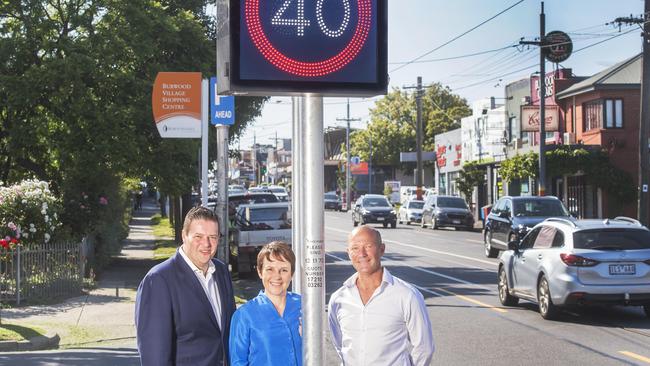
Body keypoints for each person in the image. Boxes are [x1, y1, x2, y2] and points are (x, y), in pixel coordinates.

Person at [135, 206, 236, 366]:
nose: (207, 244)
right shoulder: (159, 280)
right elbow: (155, 356)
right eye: (198, 237)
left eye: (213, 237)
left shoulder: (221, 271)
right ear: (184, 236)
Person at [328, 225, 434, 366]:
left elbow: (424, 348)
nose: (362, 253)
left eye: (368, 246)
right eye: (355, 248)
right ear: (348, 253)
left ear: (382, 249)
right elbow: (340, 345)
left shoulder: (407, 295)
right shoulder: (338, 299)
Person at [229, 241, 302, 366]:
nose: (277, 276)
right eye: (270, 269)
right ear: (259, 272)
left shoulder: (305, 306)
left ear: (292, 274)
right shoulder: (244, 315)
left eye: (284, 270)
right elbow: (238, 362)